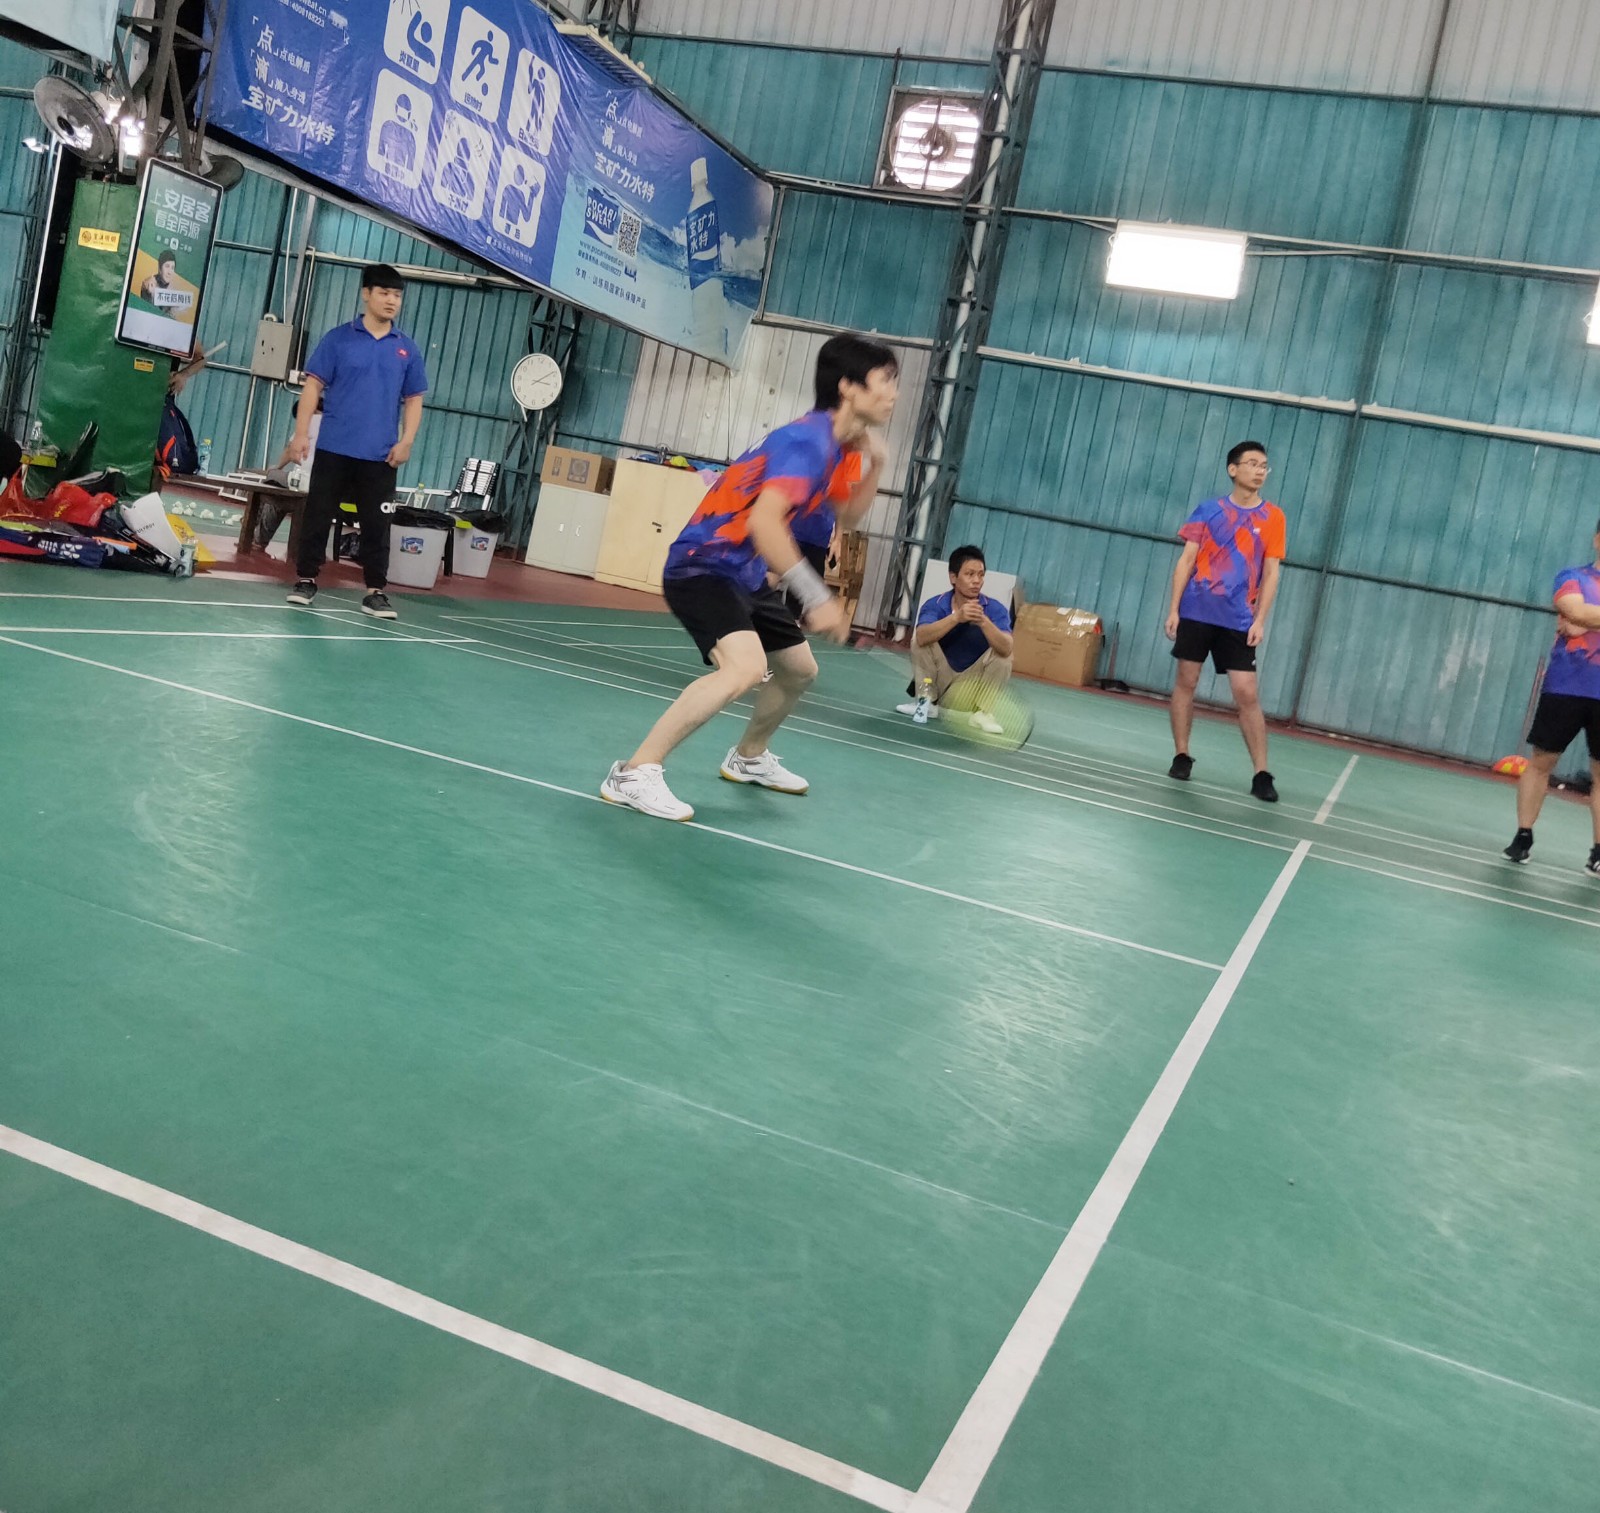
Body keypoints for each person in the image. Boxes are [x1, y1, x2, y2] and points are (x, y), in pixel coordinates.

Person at [600, 333, 897, 821]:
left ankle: (748, 756)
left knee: (799, 670)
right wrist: (815, 595)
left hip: (744, 572)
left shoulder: (837, 447)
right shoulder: (807, 441)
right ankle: (634, 772)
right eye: (885, 380)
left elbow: (847, 516)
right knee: (742, 668)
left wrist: (877, 462)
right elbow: (764, 521)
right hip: (703, 563)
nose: (893, 393)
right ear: (848, 386)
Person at [285, 264, 427, 618]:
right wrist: (301, 434)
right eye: (384, 293)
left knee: (377, 526)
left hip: (380, 455)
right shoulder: (338, 339)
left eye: (397, 295)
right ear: (366, 294)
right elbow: (313, 387)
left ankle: (375, 592)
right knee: (317, 516)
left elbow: (414, 399)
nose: (392, 300)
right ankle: (305, 579)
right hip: (334, 447)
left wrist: (407, 441)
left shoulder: (406, 349)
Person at [1164, 440, 1285, 802]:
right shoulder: (1207, 510)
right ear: (1233, 469)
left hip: (1238, 617)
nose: (1260, 471)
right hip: (1197, 609)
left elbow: (1271, 572)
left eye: (1264, 465)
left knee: (1246, 692)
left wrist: (1260, 620)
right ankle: (1182, 754)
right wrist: (1174, 609)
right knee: (1187, 680)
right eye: (1252, 464)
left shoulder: (1274, 517)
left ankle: (1261, 773)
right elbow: (1187, 560)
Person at [1504, 519, 1600, 872]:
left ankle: (1598, 852)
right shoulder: (1572, 577)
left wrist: (1586, 621)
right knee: (1542, 762)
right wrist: (1578, 617)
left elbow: (1580, 618)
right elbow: (1573, 610)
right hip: (1565, 687)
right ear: (1597, 539)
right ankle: (1523, 836)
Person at [896, 545, 1014, 733]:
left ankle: (983, 713)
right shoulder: (935, 604)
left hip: (970, 689)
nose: (977, 581)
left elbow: (1006, 648)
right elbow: (922, 636)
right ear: (953, 577)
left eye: (981, 575)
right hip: (940, 683)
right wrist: (956, 617)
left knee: (1003, 655)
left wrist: (983, 621)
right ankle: (926, 703)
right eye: (969, 574)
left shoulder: (995, 609)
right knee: (919, 640)